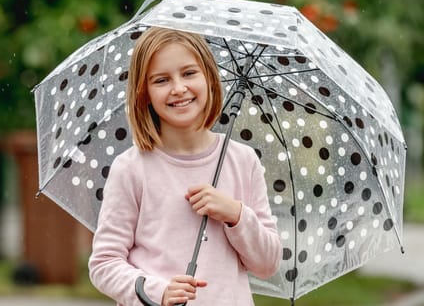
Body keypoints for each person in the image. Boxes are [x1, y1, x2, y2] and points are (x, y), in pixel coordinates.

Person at [88, 27, 281, 306]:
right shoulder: (131, 169)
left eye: (189, 73)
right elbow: (104, 264)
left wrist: (235, 215)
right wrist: (157, 291)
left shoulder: (243, 161)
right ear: (144, 94)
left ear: (209, 79)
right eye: (161, 80)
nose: (179, 88)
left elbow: (267, 263)